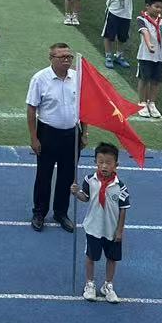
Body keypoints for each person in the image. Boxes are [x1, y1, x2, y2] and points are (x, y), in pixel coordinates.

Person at [26, 42, 80, 232]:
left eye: (69, 56)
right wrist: (34, 138)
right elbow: (31, 109)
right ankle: (39, 212)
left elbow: (84, 106)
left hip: (72, 133)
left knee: (67, 176)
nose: (66, 60)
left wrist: (85, 132)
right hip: (48, 132)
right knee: (44, 175)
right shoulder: (40, 79)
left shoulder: (77, 77)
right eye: (62, 57)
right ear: (52, 59)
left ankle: (60, 212)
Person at [76, 141, 130, 302]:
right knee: (91, 256)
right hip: (93, 227)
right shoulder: (89, 180)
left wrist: (119, 230)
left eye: (108, 162)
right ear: (95, 163)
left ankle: (108, 285)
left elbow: (123, 209)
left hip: (112, 229)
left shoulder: (121, 187)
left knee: (112, 258)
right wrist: (76, 192)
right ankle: (90, 283)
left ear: (116, 165)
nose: (104, 166)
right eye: (100, 162)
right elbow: (85, 198)